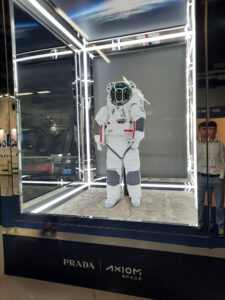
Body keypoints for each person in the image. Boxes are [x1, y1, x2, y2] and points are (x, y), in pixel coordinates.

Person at [94, 80, 146, 208]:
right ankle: (112, 197)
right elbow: (99, 122)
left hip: (129, 143)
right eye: (116, 94)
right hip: (112, 145)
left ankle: (135, 197)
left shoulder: (134, 104)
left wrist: (137, 138)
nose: (119, 97)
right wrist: (98, 139)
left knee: (133, 172)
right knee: (112, 173)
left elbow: (139, 118)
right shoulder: (107, 108)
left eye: (121, 94)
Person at [197, 120, 225, 237]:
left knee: (219, 204)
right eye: (209, 129)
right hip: (202, 177)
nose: (211, 131)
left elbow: (223, 161)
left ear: (216, 130)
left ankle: (220, 226)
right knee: (200, 202)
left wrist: (222, 176)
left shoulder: (220, 144)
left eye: (213, 129)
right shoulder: (199, 144)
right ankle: (200, 222)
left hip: (217, 178)